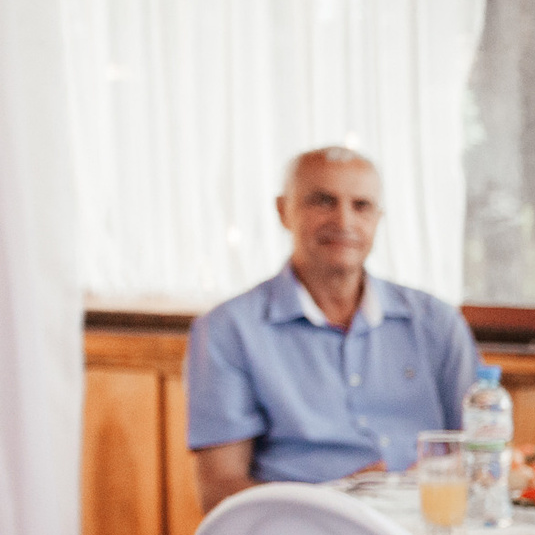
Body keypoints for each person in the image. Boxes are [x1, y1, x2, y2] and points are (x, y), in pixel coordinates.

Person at [186, 147, 479, 510]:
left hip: (427, 527)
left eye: (361, 206)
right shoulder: (227, 331)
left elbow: (481, 452)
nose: (343, 221)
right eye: (322, 201)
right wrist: (331, 503)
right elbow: (218, 491)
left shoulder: (437, 322)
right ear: (283, 211)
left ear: (378, 218)